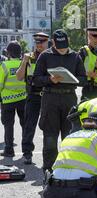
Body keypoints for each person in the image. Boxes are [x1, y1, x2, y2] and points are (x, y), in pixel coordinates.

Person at [33, 29, 87, 173]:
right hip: (50, 98)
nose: (63, 50)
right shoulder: (45, 56)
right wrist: (49, 79)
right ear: (53, 43)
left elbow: (83, 79)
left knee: (69, 137)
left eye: (65, 47)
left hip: (69, 98)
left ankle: (68, 170)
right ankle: (49, 171)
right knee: (50, 138)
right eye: (59, 47)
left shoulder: (75, 56)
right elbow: (36, 79)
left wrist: (73, 80)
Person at [16, 32, 49, 164]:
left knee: (49, 125)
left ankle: (49, 153)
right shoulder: (29, 57)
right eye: (37, 42)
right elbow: (19, 77)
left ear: (47, 42)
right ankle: (27, 153)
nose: (39, 44)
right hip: (33, 96)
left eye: (42, 42)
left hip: (48, 95)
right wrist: (24, 61)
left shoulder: (51, 57)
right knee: (29, 126)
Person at [0, 41, 27, 158]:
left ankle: (9, 149)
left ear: (9, 53)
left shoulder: (4, 66)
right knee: (25, 125)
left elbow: (0, 84)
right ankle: (26, 151)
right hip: (23, 98)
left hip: (7, 101)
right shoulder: (24, 64)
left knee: (8, 125)